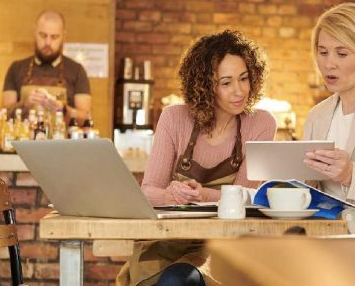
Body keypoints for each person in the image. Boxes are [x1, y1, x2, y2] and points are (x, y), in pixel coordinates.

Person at [116, 30, 276, 286]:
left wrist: (203, 195)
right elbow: (147, 191)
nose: (239, 91)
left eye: (244, 78)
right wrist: (172, 194)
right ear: (204, 85)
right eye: (226, 83)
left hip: (224, 244)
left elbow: (247, 196)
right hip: (167, 241)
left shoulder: (261, 124)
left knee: (177, 280)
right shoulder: (174, 118)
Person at [303, 2, 355, 233]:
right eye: (322, 52)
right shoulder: (316, 116)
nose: (329, 64)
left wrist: (351, 174)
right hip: (327, 243)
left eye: (342, 53)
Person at [2, 10, 91, 123]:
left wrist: (64, 110)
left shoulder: (77, 71)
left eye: (54, 37)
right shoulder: (16, 68)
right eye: (43, 35)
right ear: (35, 33)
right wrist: (25, 104)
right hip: (24, 140)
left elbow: (86, 117)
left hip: (61, 140)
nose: (48, 42)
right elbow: (4, 114)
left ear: (63, 36)